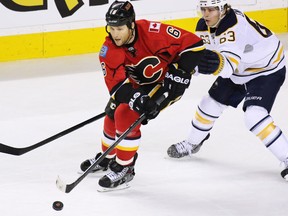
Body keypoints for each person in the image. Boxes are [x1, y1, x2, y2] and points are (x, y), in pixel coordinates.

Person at [80, 0, 206, 190]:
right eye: (111, 28)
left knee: (125, 114)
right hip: (138, 85)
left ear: (131, 24)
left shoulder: (154, 32)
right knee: (112, 112)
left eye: (120, 28)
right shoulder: (109, 49)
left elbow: (195, 45)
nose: (115, 34)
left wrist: (181, 72)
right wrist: (137, 99)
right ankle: (108, 156)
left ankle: (125, 167)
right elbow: (116, 87)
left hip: (165, 84)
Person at [167, 0, 288, 181]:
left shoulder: (234, 25)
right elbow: (203, 59)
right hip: (241, 69)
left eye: (211, 9)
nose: (206, 14)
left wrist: (204, 64)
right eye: (203, 9)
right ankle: (193, 143)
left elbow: (227, 67)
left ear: (223, 9)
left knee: (254, 116)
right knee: (208, 104)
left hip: (266, 69)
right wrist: (184, 70)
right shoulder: (203, 26)